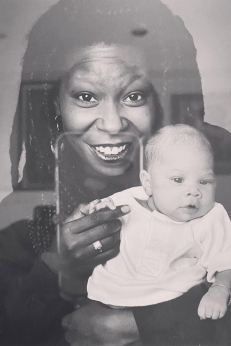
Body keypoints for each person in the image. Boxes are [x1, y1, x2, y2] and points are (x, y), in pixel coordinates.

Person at [0, 0, 231, 345]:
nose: (111, 123)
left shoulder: (211, 202)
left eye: (134, 95)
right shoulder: (19, 234)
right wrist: (56, 266)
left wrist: (140, 325)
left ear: (159, 100)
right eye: (86, 96)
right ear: (56, 106)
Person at [77, 124, 231, 345]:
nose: (194, 191)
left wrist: (219, 290)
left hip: (168, 309)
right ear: (148, 183)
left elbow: (226, 260)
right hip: (111, 296)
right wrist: (99, 210)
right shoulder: (128, 202)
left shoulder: (210, 218)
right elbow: (102, 217)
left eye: (204, 181)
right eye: (178, 180)